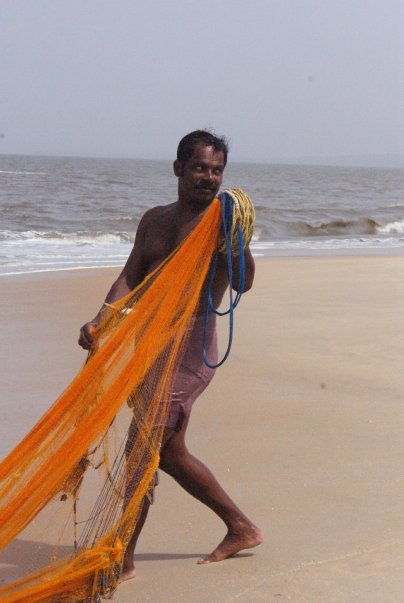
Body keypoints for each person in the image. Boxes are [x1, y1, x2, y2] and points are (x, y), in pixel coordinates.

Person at [78, 130, 263, 581]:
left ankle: (122, 555)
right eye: (199, 167)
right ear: (178, 168)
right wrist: (101, 319)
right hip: (149, 344)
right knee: (169, 450)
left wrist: (237, 239)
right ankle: (241, 527)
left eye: (217, 170)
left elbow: (243, 282)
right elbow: (130, 277)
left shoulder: (222, 224)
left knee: (141, 449)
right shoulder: (155, 220)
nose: (209, 177)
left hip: (192, 349)